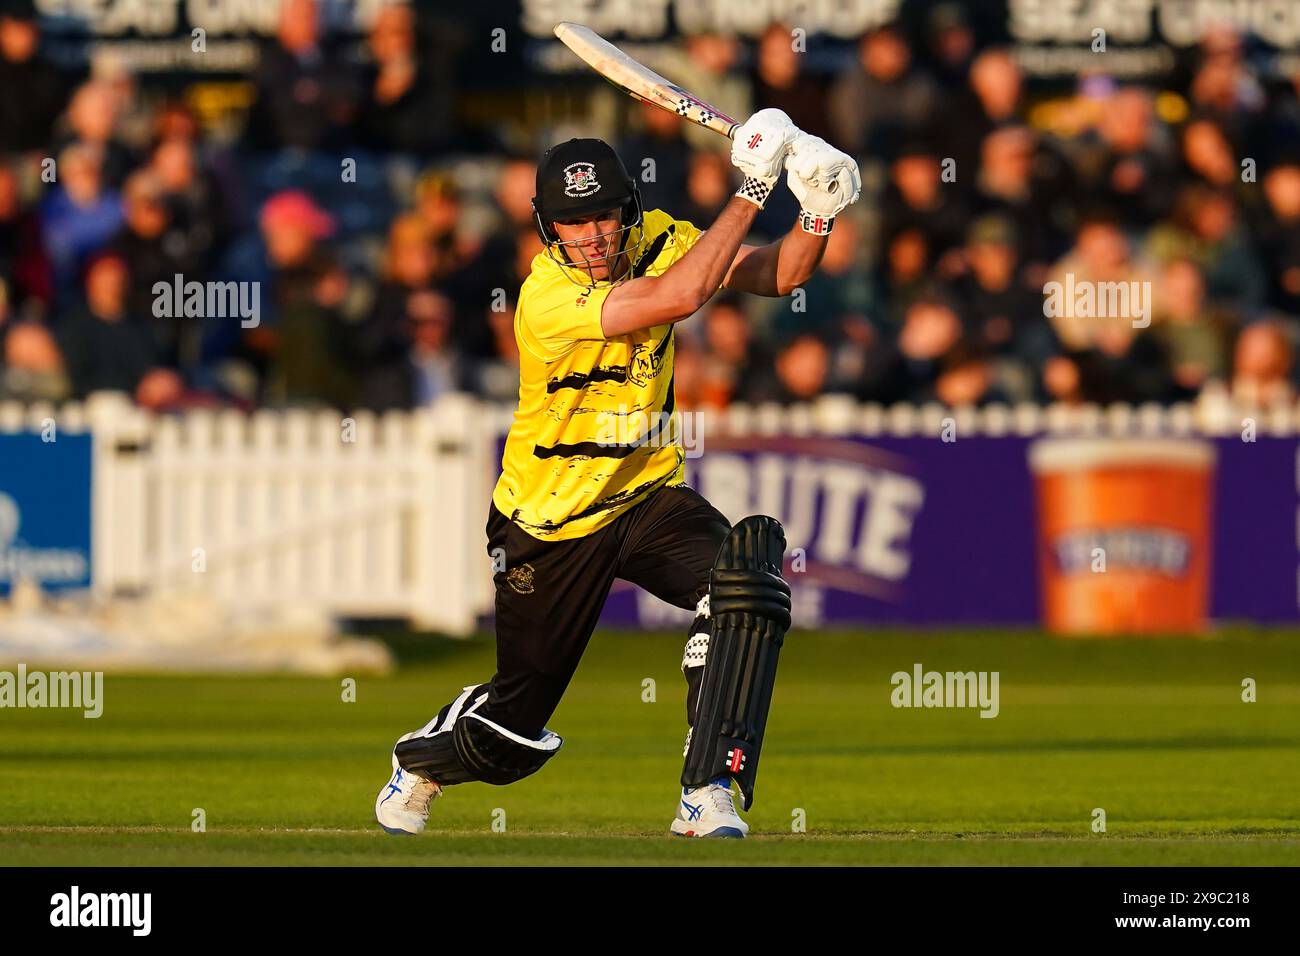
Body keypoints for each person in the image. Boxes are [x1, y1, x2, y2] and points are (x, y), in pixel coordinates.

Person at [376, 110, 861, 839]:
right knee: (512, 734)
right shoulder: (543, 300)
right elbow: (678, 298)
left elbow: (778, 272)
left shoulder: (661, 237)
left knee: (744, 582)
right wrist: (756, 186)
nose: (593, 237)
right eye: (573, 224)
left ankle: (709, 790)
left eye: (603, 217)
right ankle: (420, 760)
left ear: (626, 210)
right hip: (549, 521)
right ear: (547, 230)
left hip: (643, 494)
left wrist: (817, 215)